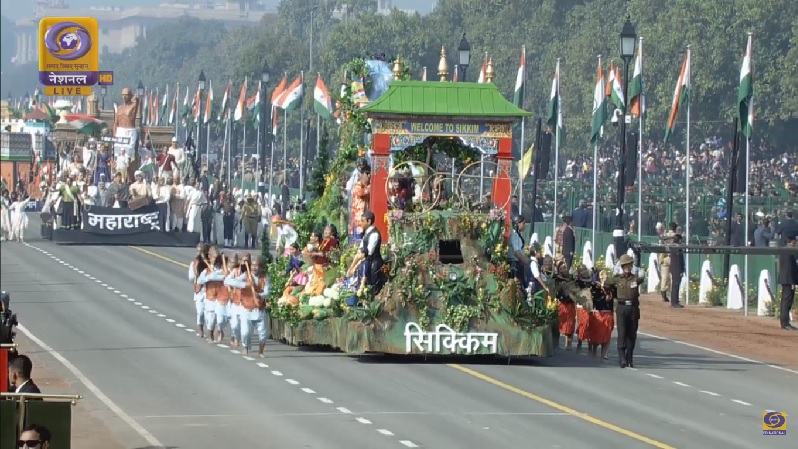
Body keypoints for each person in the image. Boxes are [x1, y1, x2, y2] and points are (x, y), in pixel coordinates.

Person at [604, 253, 644, 368]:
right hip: (621, 308)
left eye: (629, 265)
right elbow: (606, 283)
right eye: (625, 265)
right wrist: (611, 292)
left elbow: (642, 276)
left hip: (633, 308)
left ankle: (629, 356)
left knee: (632, 334)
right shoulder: (617, 279)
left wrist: (637, 267)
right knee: (622, 333)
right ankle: (622, 358)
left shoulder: (636, 278)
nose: (627, 267)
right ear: (622, 267)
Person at [347, 211, 385, 293]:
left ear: (369, 221)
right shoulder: (366, 234)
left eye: (363, 221)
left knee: (371, 285)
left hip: (374, 262)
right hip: (366, 260)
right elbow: (360, 251)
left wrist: (354, 266)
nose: (361, 223)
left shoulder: (375, 234)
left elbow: (368, 253)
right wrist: (352, 267)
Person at [187, 244, 209, 339]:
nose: (199, 253)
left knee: (209, 313)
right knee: (200, 312)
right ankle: (200, 329)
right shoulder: (193, 263)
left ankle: (211, 331)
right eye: (198, 251)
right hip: (199, 291)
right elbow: (191, 278)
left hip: (210, 291)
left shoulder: (210, 263)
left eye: (201, 251)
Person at [777, 236, 797, 330]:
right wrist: (792, 282)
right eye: (793, 243)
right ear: (789, 242)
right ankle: (785, 323)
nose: (795, 244)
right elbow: (789, 269)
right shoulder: (789, 252)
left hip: (785, 279)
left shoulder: (784, 251)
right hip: (788, 280)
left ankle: (785, 322)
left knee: (786, 301)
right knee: (787, 302)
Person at [507, 215, 529, 288]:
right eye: (523, 223)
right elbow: (517, 253)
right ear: (517, 224)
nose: (524, 225)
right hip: (514, 264)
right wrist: (528, 262)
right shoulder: (514, 235)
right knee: (518, 286)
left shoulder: (517, 235)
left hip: (518, 263)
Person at [668, 233, 686, 308]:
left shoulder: (673, 247)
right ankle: (674, 302)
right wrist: (681, 270)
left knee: (675, 285)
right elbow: (679, 261)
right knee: (676, 285)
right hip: (677, 269)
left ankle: (674, 301)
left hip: (673, 268)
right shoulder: (677, 248)